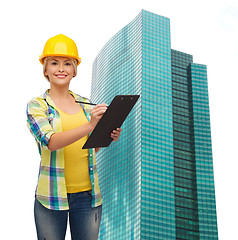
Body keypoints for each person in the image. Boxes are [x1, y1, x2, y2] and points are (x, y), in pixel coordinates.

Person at [26, 34, 122, 240]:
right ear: (45, 69)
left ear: (74, 70)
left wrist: (107, 135)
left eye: (67, 63)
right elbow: (50, 142)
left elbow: (90, 148)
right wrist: (90, 125)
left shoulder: (86, 104)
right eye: (54, 63)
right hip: (51, 198)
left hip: (88, 197)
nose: (61, 69)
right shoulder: (37, 106)